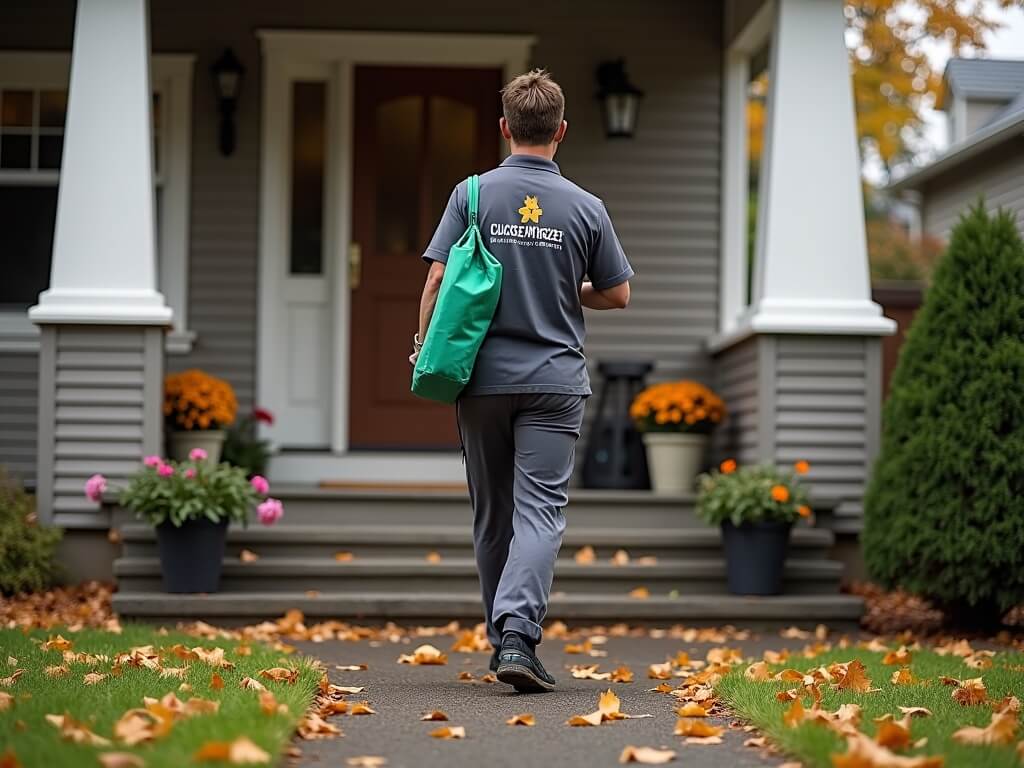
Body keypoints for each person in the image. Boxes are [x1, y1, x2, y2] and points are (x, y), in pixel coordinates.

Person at [410, 69, 633, 692]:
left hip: (481, 379)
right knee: (540, 513)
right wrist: (568, 287)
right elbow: (617, 294)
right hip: (556, 381)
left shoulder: (472, 195)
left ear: (505, 127)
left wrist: (424, 348)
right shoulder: (587, 207)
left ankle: (502, 635)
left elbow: (434, 281)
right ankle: (518, 636)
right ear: (561, 130)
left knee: (493, 516)